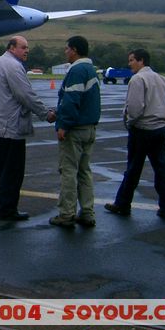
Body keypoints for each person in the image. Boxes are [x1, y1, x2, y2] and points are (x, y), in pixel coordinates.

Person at [0, 36, 55, 221]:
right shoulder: (13, 66)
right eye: (23, 47)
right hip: (7, 127)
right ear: (12, 48)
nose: (27, 50)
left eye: (27, 47)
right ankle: (8, 208)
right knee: (11, 170)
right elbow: (26, 95)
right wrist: (46, 113)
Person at [105, 49, 165, 220]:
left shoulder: (137, 79)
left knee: (133, 169)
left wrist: (129, 122)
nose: (129, 64)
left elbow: (135, 108)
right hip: (159, 129)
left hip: (142, 130)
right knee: (161, 171)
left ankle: (123, 203)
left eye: (131, 60)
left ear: (141, 61)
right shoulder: (162, 79)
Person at [50, 36, 101, 228]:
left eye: (67, 49)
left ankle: (66, 213)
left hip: (75, 129)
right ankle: (87, 212)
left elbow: (71, 100)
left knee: (68, 171)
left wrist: (63, 124)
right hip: (90, 127)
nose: (65, 52)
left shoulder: (77, 70)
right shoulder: (91, 70)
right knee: (85, 171)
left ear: (74, 50)